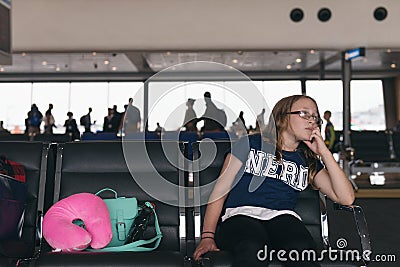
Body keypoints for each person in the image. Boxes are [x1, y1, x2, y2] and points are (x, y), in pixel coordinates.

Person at [193, 95, 355, 266]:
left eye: (315, 116)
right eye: (304, 114)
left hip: (282, 217)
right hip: (241, 215)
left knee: (301, 250)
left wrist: (325, 153)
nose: (312, 121)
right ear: (283, 117)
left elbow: (346, 198)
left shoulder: (307, 160)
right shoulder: (250, 143)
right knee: (252, 248)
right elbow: (220, 191)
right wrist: (207, 237)